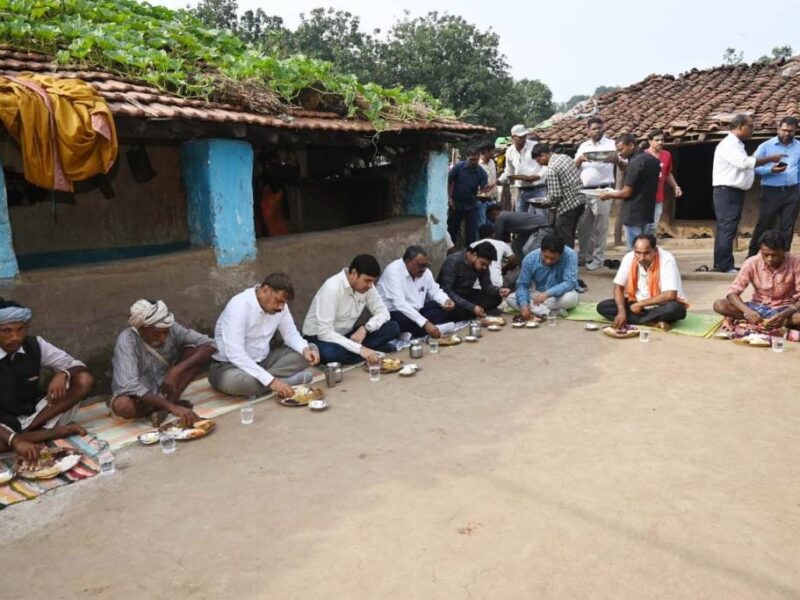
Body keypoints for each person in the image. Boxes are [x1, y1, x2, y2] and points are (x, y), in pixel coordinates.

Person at [0, 299, 93, 462]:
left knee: (83, 379)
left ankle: (28, 434)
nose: (15, 337)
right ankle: (54, 432)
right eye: (6, 331)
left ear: (27, 328)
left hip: (33, 414)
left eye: (20, 329)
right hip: (3, 422)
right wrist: (15, 441)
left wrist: (64, 373)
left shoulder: (35, 345)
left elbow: (77, 365)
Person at [210, 274, 320, 399]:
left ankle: (261, 385)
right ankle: (288, 381)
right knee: (239, 383)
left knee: (309, 349)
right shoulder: (238, 306)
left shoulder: (281, 307)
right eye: (278, 301)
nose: (281, 307)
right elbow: (235, 354)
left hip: (264, 361)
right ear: (265, 290)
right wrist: (272, 382)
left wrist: (305, 350)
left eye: (284, 303)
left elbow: (290, 334)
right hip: (230, 367)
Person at [110, 300, 216, 426]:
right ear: (142, 328)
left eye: (165, 332)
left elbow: (210, 344)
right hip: (142, 396)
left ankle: (164, 408)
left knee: (192, 351)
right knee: (123, 406)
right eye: (156, 333)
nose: (163, 338)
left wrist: (176, 370)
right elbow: (130, 385)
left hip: (166, 385)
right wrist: (173, 408)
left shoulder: (171, 327)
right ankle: (166, 406)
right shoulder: (126, 340)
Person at [712, 114, 785, 273]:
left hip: (732, 191)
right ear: (740, 126)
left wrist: (770, 169)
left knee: (726, 227)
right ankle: (724, 265)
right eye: (750, 126)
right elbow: (744, 163)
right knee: (727, 227)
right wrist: (770, 158)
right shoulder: (729, 144)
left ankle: (721, 263)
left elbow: (746, 168)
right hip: (727, 191)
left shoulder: (737, 144)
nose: (752, 130)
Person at [303, 255, 400, 365]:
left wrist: (366, 329)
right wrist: (360, 349)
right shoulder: (332, 287)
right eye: (367, 280)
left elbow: (383, 313)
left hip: (348, 335)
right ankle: (371, 351)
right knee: (330, 353)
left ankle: (363, 353)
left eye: (372, 281)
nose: (370, 285)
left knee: (393, 327)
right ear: (354, 274)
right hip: (319, 338)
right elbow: (324, 333)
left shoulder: (368, 287)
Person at [713, 230, 800, 335]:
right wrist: (747, 311)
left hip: (787, 308)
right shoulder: (752, 262)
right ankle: (775, 324)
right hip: (758, 307)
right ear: (761, 250)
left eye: (775, 255)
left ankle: (772, 323)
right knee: (719, 305)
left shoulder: (796, 262)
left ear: (784, 251)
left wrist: (786, 313)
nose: (770, 259)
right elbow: (732, 293)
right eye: (766, 255)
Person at [597, 233, 688, 330]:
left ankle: (640, 320)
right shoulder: (629, 257)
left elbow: (670, 295)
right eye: (638, 253)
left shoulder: (667, 260)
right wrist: (621, 312)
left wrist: (640, 304)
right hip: (636, 301)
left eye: (646, 253)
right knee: (603, 307)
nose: (641, 258)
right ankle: (653, 322)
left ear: (655, 250)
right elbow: (618, 287)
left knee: (674, 309)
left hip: (661, 305)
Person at [377, 246, 456, 339]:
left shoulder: (425, 272)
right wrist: (425, 324)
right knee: (400, 321)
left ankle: (411, 332)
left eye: (425, 265)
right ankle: (434, 329)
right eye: (420, 265)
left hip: (417, 312)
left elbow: (435, 290)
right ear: (407, 262)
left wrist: (446, 300)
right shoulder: (393, 271)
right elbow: (400, 304)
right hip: (396, 313)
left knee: (441, 308)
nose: (423, 269)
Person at [598, 133, 661, 249]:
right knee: (645, 248)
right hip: (647, 211)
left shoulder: (635, 162)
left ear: (631, 145)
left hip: (633, 212)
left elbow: (626, 192)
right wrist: (619, 162)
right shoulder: (652, 160)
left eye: (621, 150)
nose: (619, 153)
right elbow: (639, 175)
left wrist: (608, 194)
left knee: (633, 250)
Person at [749, 117, 800, 256]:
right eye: (783, 130)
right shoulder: (766, 146)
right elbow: (752, 166)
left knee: (787, 227)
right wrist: (770, 170)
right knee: (765, 224)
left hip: (792, 191)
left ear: (796, 130)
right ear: (778, 129)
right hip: (771, 190)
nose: (786, 133)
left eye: (790, 131)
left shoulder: (799, 146)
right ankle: (752, 256)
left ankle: (783, 258)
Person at [429, 242, 511, 323]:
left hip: (466, 295)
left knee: (496, 298)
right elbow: (446, 290)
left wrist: (498, 291)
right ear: (474, 255)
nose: (485, 267)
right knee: (450, 311)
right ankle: (469, 313)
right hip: (451, 298)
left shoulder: (483, 266)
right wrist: (472, 307)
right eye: (483, 264)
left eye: (487, 265)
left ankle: (470, 313)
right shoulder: (453, 261)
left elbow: (487, 286)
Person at [575, 117, 617, 270]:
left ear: (604, 128)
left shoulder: (611, 144)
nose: (597, 131)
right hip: (584, 191)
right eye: (594, 128)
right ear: (588, 130)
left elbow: (624, 164)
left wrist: (616, 159)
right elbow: (575, 167)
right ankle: (584, 256)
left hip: (603, 190)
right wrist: (579, 159)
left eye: (600, 128)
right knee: (583, 226)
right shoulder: (583, 146)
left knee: (600, 227)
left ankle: (598, 258)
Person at [507, 233, 579, 319]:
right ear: (541, 250)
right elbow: (522, 285)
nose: (548, 261)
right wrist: (524, 305)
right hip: (539, 294)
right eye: (545, 257)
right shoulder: (530, 258)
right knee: (511, 298)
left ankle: (538, 310)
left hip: (560, 295)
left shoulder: (570, 255)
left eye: (553, 258)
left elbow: (570, 282)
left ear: (561, 254)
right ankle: (551, 312)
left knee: (570, 298)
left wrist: (548, 293)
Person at [531, 143, 587, 248]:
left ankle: (567, 261)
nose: (539, 164)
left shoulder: (552, 169)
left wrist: (544, 203)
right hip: (580, 202)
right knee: (570, 233)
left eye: (538, 160)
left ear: (543, 155)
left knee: (564, 237)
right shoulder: (565, 157)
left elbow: (555, 196)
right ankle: (570, 258)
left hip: (567, 206)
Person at [498, 124, 548, 214]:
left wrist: (538, 176)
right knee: (520, 217)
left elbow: (546, 165)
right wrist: (499, 181)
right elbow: (509, 171)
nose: (523, 139)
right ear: (513, 137)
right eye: (520, 137)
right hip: (522, 190)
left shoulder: (534, 146)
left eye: (524, 136)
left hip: (539, 188)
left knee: (542, 216)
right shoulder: (509, 151)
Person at [447, 146, 489, 247]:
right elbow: (449, 181)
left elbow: (483, 190)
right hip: (456, 204)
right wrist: (449, 199)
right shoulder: (458, 167)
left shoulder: (482, 173)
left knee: (471, 231)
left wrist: (484, 193)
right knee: (452, 229)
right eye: (471, 159)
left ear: (479, 157)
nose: (474, 162)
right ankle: (450, 251)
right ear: (467, 157)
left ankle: (470, 252)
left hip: (472, 204)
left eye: (476, 159)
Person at [645, 129, 682, 234]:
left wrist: (676, 186)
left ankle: (650, 248)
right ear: (649, 141)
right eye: (657, 140)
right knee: (644, 225)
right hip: (644, 198)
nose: (660, 142)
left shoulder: (666, 155)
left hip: (658, 197)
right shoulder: (643, 156)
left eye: (662, 140)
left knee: (653, 226)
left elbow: (667, 174)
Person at [486, 203, 551, 259]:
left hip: (543, 227)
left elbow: (499, 238)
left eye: (490, 218)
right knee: (516, 245)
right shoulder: (507, 215)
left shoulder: (501, 216)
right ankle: (523, 266)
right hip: (535, 229)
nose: (492, 222)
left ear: (493, 213)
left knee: (528, 250)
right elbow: (505, 239)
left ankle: (534, 269)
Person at [471, 223, 516, 288]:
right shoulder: (501, 244)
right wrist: (505, 270)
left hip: (476, 285)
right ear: (493, 234)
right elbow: (514, 261)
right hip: (497, 284)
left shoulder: (472, 245)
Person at [477, 142, 498, 225]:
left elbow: (494, 179)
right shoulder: (478, 165)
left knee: (494, 223)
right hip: (481, 200)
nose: (494, 153)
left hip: (492, 198)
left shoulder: (492, 162)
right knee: (482, 224)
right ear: (486, 152)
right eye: (493, 151)